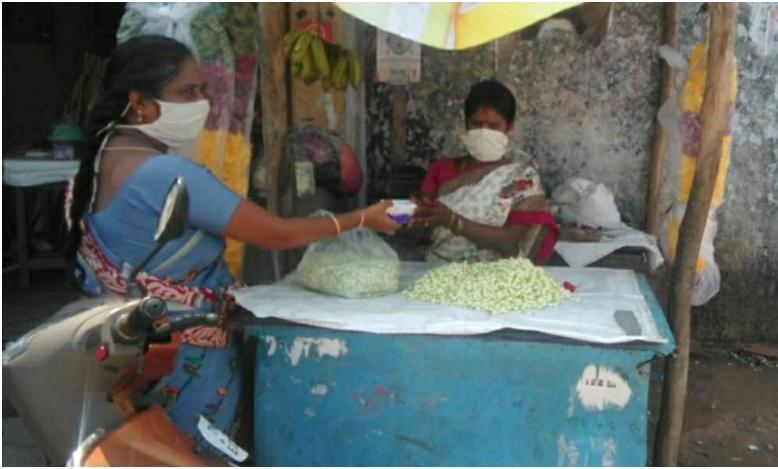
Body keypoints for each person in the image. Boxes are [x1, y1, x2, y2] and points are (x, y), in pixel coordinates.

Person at [65, 35, 398, 457]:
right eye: (187, 92)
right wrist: (363, 218)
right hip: (183, 354)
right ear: (138, 104)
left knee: (152, 453)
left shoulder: (104, 156)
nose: (201, 102)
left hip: (135, 349)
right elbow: (277, 234)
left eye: (203, 89)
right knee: (193, 453)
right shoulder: (165, 173)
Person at [411, 79, 558, 264]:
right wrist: (412, 214)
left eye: (493, 126)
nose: (483, 131)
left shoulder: (522, 178)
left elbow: (510, 242)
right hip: (439, 271)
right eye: (476, 124)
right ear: (466, 124)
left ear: (509, 127)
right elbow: (421, 227)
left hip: (493, 280)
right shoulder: (442, 169)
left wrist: (453, 221)